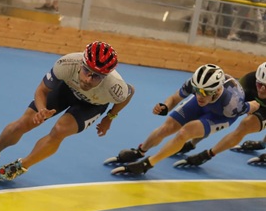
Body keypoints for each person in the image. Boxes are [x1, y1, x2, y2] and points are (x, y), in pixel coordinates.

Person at [0, 41, 135, 182]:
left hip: (92, 105)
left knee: (60, 130)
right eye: (86, 71)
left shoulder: (116, 87)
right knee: (25, 122)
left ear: (106, 76)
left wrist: (109, 117)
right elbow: (42, 90)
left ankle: (21, 166)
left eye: (96, 77)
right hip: (66, 90)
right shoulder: (67, 63)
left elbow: (129, 94)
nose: (88, 79)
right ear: (81, 64)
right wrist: (41, 110)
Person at [105, 63, 258, 176]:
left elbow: (254, 105)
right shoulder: (195, 83)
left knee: (185, 132)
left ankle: (148, 163)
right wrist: (165, 106)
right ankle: (139, 151)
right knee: (167, 127)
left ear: (217, 90)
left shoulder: (233, 104)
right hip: (206, 106)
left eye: (206, 92)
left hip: (221, 115)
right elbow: (174, 98)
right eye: (197, 91)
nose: (200, 96)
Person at [174, 61, 266, 167]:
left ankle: (207, 155)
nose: (262, 89)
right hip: (251, 99)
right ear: (256, 80)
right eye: (259, 84)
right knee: (220, 113)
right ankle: (191, 144)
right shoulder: (248, 80)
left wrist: (263, 143)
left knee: (246, 125)